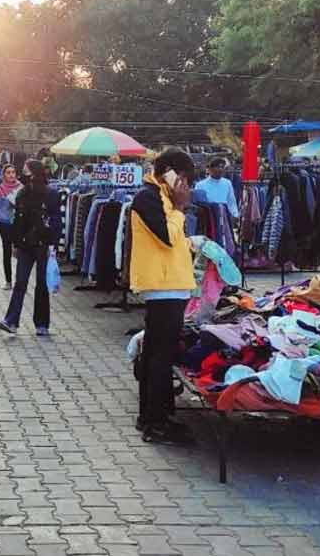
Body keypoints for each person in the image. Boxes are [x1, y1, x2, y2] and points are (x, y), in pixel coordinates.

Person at [130, 147, 196, 445]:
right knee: (159, 356)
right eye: (182, 178)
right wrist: (180, 209)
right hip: (163, 287)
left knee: (158, 354)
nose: (185, 186)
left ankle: (155, 416)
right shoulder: (149, 197)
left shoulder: (162, 198)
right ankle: (154, 422)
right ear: (168, 172)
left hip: (172, 285)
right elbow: (167, 238)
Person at [0, 160, 62, 336]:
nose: (24, 176)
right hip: (25, 245)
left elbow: (56, 222)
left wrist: (53, 244)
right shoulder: (22, 194)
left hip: (43, 245)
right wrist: (15, 244)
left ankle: (41, 324)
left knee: (41, 284)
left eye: (27, 172)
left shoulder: (51, 194)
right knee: (20, 283)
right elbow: (17, 221)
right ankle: (11, 321)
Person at [0, 164, 22, 290]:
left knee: (20, 253)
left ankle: (20, 281)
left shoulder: (21, 188)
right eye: (8, 172)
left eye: (13, 172)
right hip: (5, 226)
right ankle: (8, 281)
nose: (11, 175)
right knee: (6, 253)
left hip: (19, 225)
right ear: (3, 175)